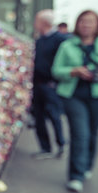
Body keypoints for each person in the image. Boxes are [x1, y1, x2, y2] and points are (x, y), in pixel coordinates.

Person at [51, 10, 98, 193]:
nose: (86, 25)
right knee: (80, 134)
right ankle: (75, 175)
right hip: (74, 95)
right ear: (77, 24)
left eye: (90, 22)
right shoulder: (67, 46)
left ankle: (86, 166)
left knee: (93, 133)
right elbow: (56, 70)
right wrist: (74, 71)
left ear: (97, 25)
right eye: (83, 21)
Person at [32, 10, 68, 159]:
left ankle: (60, 144)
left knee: (54, 115)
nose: (35, 24)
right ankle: (45, 148)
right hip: (38, 83)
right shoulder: (40, 40)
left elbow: (64, 61)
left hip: (51, 84)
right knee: (38, 116)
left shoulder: (60, 39)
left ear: (44, 23)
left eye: (37, 21)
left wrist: (57, 81)